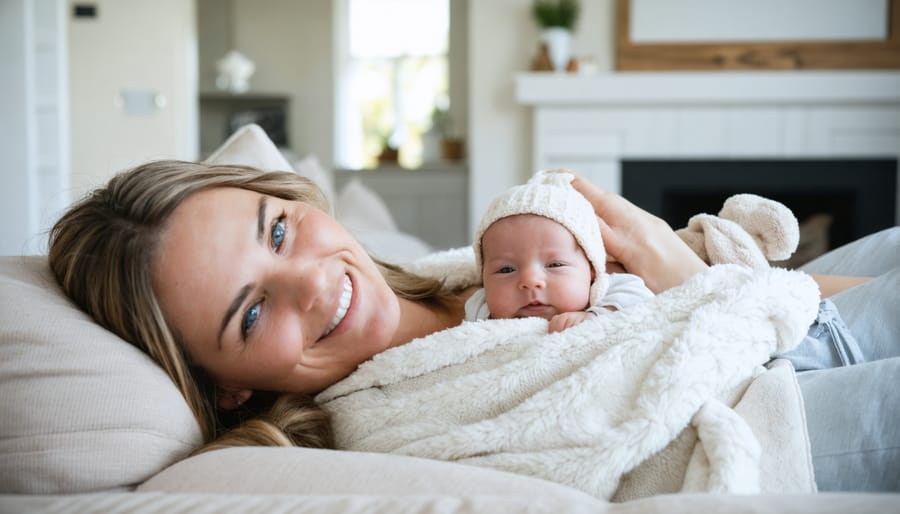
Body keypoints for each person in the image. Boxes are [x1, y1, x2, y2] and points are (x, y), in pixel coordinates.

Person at [47, 159, 899, 492]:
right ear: (228, 381)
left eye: (277, 231)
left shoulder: (472, 265)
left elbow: (807, 296)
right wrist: (682, 280)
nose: (312, 279)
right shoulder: (384, 431)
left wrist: (671, 261)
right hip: (776, 407)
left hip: (793, 322)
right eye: (254, 310)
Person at [465, 170, 652, 332]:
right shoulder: (479, 309)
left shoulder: (607, 291)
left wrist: (595, 317)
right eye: (506, 270)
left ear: (592, 271)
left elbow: (644, 303)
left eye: (555, 265)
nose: (530, 281)